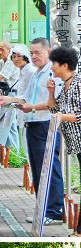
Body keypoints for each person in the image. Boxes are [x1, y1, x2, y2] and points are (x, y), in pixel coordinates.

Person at [16, 38, 65, 226]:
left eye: (38, 52)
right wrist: (8, 100)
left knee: (49, 168)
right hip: (33, 124)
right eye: (32, 52)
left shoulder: (53, 73)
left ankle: (53, 211)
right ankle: (42, 208)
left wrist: (32, 108)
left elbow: (54, 104)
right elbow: (25, 98)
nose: (34, 56)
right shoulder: (36, 73)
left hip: (46, 124)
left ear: (49, 52)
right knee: (38, 169)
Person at [47, 46, 81, 235]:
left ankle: (79, 231)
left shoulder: (78, 83)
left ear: (65, 65)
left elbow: (78, 114)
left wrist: (62, 116)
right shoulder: (65, 85)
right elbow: (54, 109)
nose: (52, 67)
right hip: (76, 143)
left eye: (54, 64)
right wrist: (51, 93)